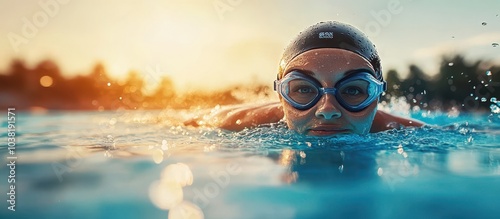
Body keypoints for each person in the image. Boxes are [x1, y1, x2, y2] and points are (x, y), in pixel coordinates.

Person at [184, 21, 423, 136]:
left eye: (352, 91)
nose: (327, 111)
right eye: (303, 89)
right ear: (280, 95)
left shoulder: (404, 132)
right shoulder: (238, 123)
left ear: (378, 94)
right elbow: (189, 122)